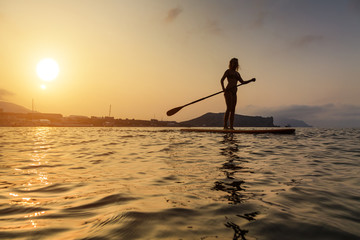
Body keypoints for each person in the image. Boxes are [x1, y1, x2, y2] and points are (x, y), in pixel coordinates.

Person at [220, 58, 255, 129]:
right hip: (228, 91)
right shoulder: (228, 71)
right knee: (229, 108)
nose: (235, 64)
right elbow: (222, 80)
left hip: (234, 92)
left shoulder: (237, 74)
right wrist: (223, 89)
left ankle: (231, 127)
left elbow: (242, 82)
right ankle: (225, 126)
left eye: (236, 63)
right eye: (234, 63)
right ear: (231, 63)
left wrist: (251, 80)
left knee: (233, 109)